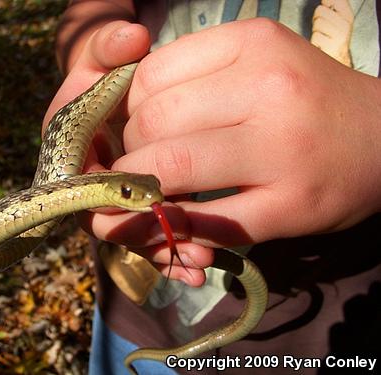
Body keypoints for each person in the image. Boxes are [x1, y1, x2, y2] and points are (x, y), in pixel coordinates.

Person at [43, 1, 381, 374]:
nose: (149, 199)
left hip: (318, 348)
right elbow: (91, 10)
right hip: (129, 314)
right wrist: (92, 54)